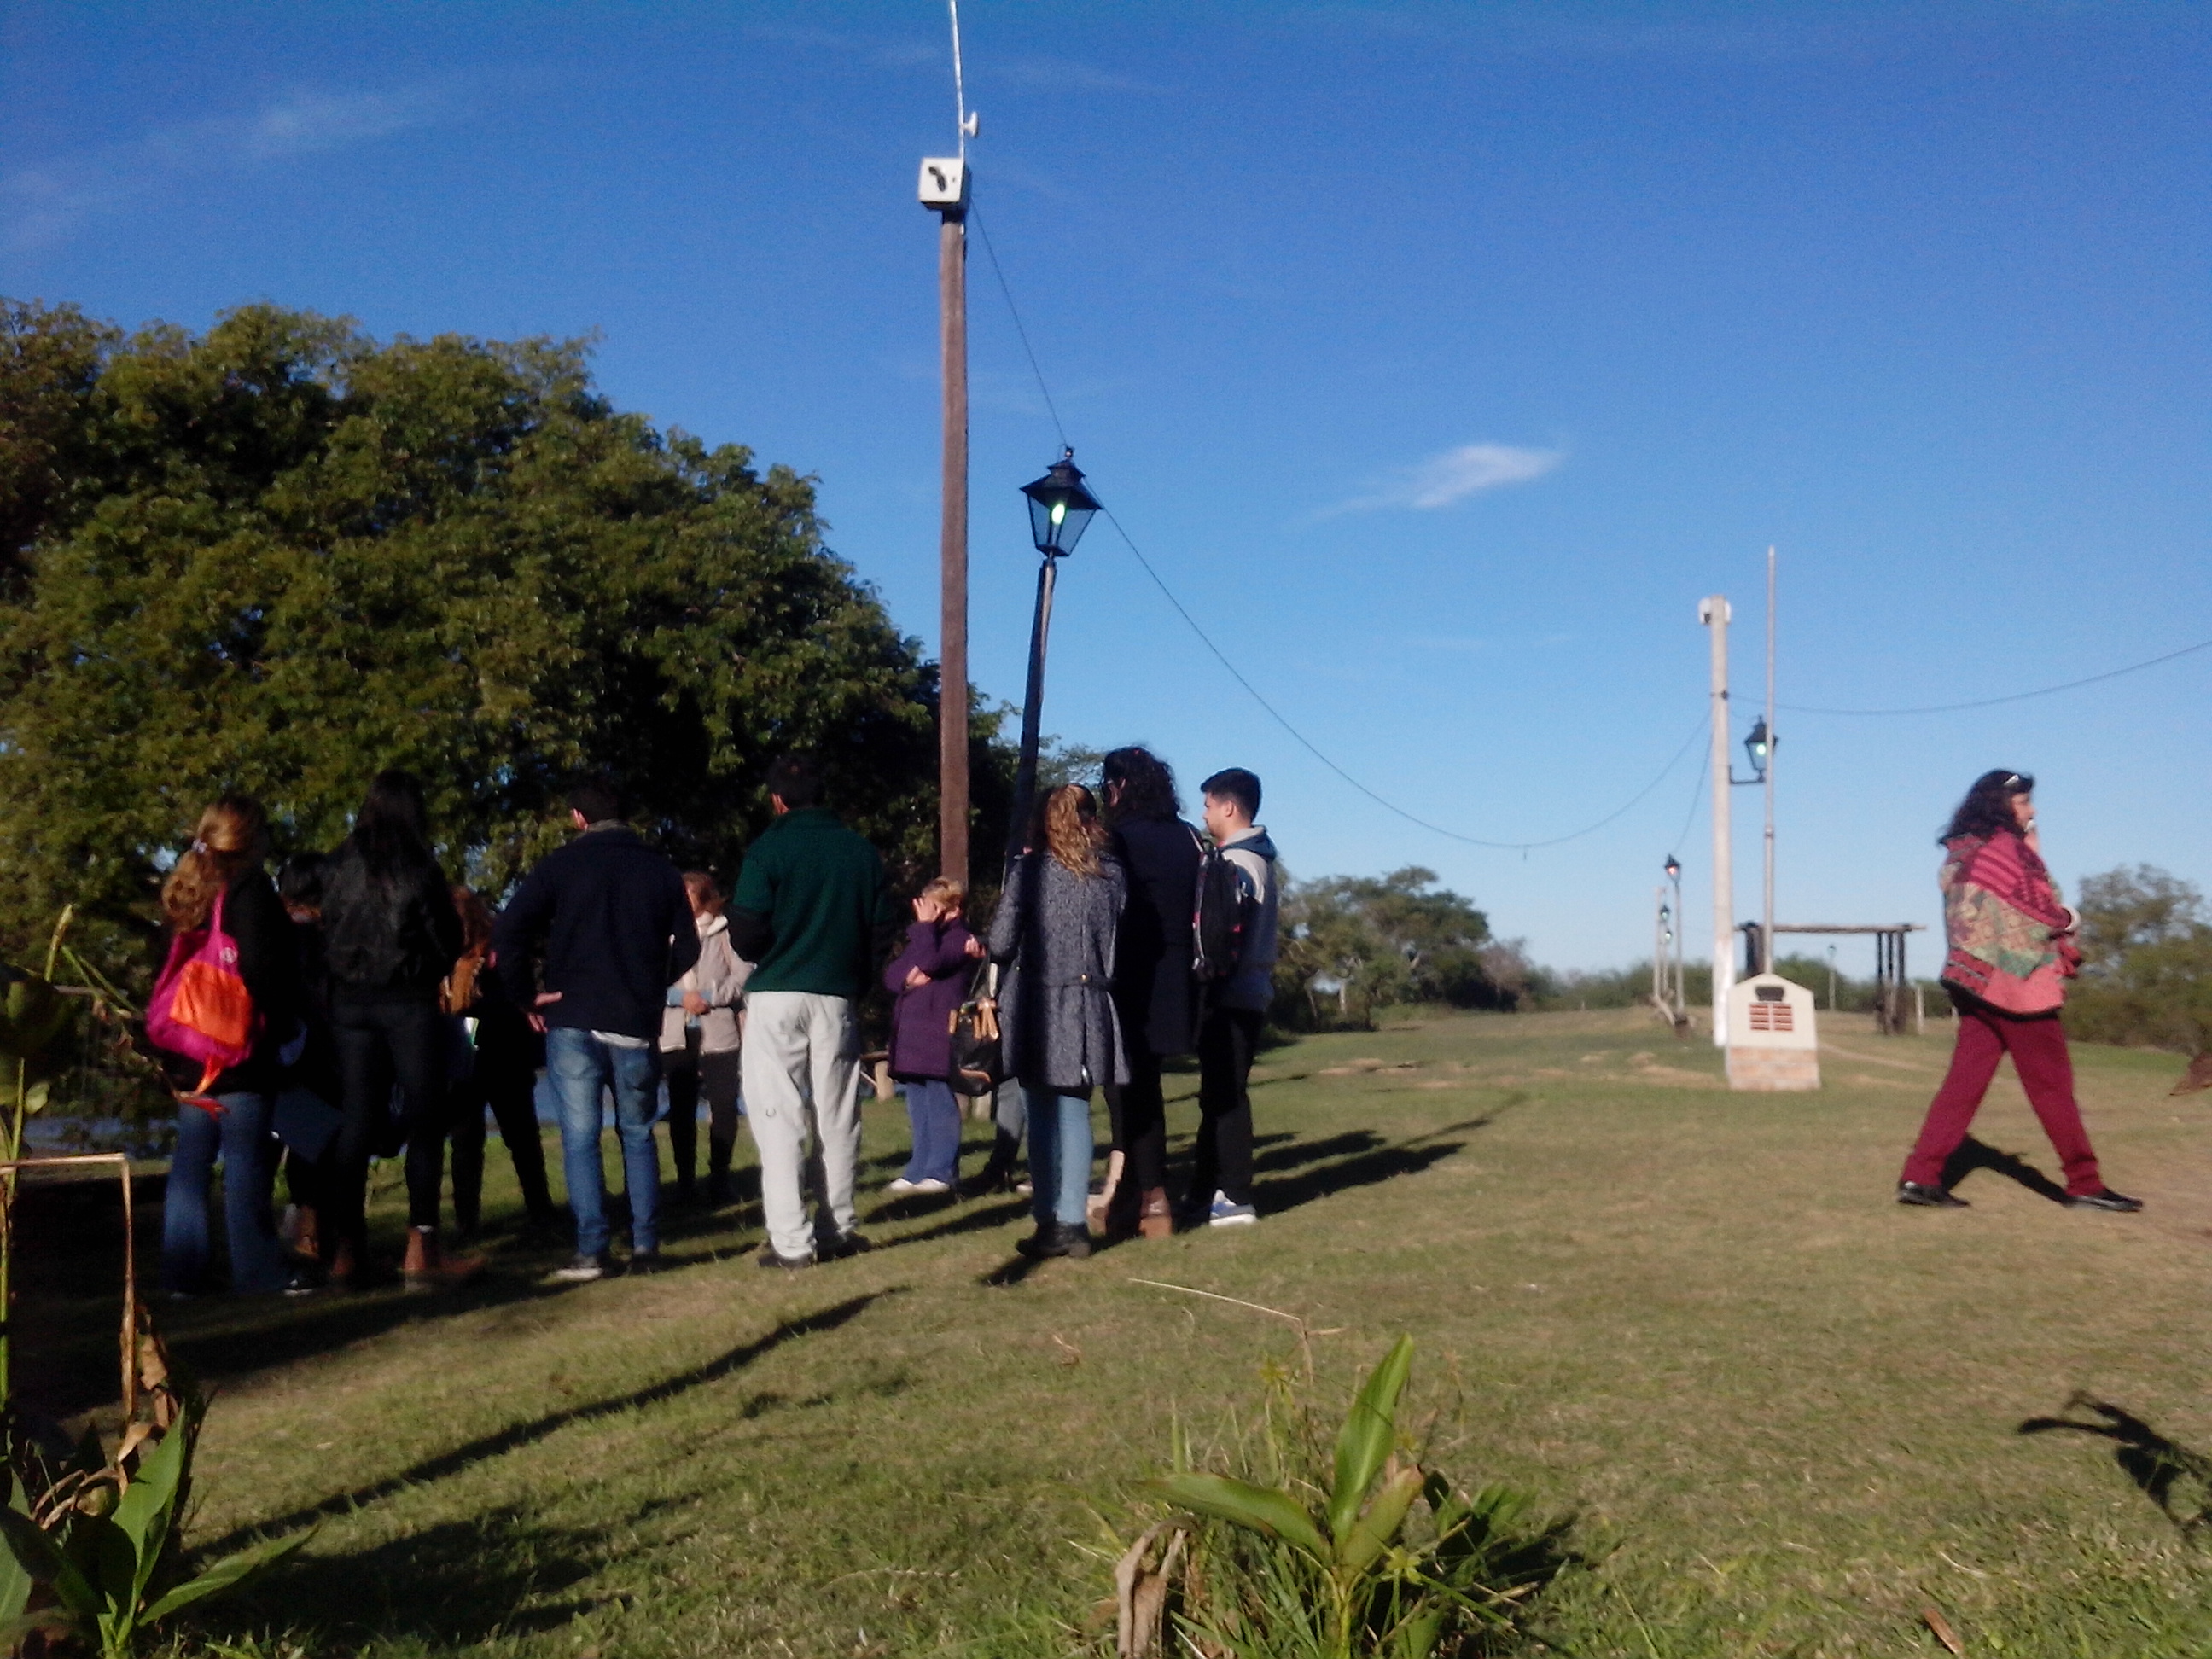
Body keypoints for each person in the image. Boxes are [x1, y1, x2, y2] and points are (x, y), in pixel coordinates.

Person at [1897, 771, 2141, 1212]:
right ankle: (2085, 1183)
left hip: (1973, 980)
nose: (2033, 810)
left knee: (1963, 1086)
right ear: (2002, 805)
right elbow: (2040, 911)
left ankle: (1921, 1176)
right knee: (2052, 1087)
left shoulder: (1960, 854)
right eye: (2025, 802)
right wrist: (2068, 916)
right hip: (2016, 985)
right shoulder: (2006, 852)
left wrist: (2030, 846)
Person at [495, 777, 699, 1281]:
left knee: (581, 1135)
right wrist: (652, 982)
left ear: (578, 818)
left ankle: (592, 1248)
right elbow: (689, 946)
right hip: (632, 1015)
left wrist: (523, 993)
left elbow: (511, 928)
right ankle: (645, 1245)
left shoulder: (560, 866)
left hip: (573, 1011)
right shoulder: (659, 870)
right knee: (638, 1131)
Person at [730, 754, 896, 1271]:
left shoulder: (768, 848)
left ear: (777, 800)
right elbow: (882, 928)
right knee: (839, 1114)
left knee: (777, 1116)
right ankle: (837, 1226)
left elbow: (746, 929)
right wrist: (857, 979)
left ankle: (791, 1241)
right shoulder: (860, 851)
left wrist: (777, 949)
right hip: (836, 994)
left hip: (778, 991)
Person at [318, 770, 470, 1289]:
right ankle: (421, 1245)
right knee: (425, 1118)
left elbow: (327, 930)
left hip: (350, 1002)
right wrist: (429, 969)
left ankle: (345, 1249)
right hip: (407, 1000)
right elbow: (446, 935)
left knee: (357, 1120)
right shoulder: (418, 865)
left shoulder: (337, 863)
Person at [154, 796, 306, 1297]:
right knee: (245, 1161)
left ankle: (183, 1272)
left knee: (192, 1161)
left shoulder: (187, 889)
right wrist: (282, 1026)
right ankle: (257, 1269)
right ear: (250, 837)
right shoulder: (249, 889)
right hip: (235, 1048)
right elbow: (263, 969)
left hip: (187, 1047)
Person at [988, 784, 1129, 1260]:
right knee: (1075, 1112)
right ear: (1091, 819)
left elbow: (1001, 942)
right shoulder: (1112, 874)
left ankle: (1050, 1219)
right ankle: (1074, 1222)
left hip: (1037, 1002)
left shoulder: (1030, 872)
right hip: (1091, 999)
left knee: (1041, 1114)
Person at [1099, 748, 1202, 1241]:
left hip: (1131, 974)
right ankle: (1135, 1197)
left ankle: (1151, 1197)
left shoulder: (1119, 838)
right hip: (1179, 974)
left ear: (1119, 786)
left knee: (1129, 1091)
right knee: (1144, 1086)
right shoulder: (1188, 836)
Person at [1186, 767, 1281, 1228]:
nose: (1203, 815)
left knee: (1227, 1097)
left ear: (1229, 807)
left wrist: (1207, 981)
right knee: (1218, 1095)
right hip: (1246, 992)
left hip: (1232, 995)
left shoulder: (1239, 863)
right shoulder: (1255, 856)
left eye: (1207, 805)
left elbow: (1222, 935)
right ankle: (1206, 1190)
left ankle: (1238, 1196)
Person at [445, 885, 559, 1238]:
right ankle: (532, 1210)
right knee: (508, 1136)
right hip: (493, 1049)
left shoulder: (477, 953)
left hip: (487, 1048)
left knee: (483, 1138)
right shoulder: (483, 950)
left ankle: (475, 1219)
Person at [882, 876, 985, 1195]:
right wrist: (908, 979)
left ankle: (942, 1170)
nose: (925, 912)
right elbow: (892, 976)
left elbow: (930, 962)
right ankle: (918, 1168)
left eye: (933, 906)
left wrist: (924, 930)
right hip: (912, 1036)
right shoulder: (927, 938)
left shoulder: (960, 939)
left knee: (940, 1103)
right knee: (917, 1105)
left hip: (939, 1033)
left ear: (953, 909)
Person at [660, 871, 752, 1208]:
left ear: (705, 897)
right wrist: (679, 998)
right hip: (675, 1031)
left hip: (719, 1030)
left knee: (724, 1105)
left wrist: (709, 997)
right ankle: (685, 1184)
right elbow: (648, 980)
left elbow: (743, 977)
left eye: (691, 894)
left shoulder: (725, 931)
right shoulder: (662, 932)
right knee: (681, 1108)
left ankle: (720, 1180)